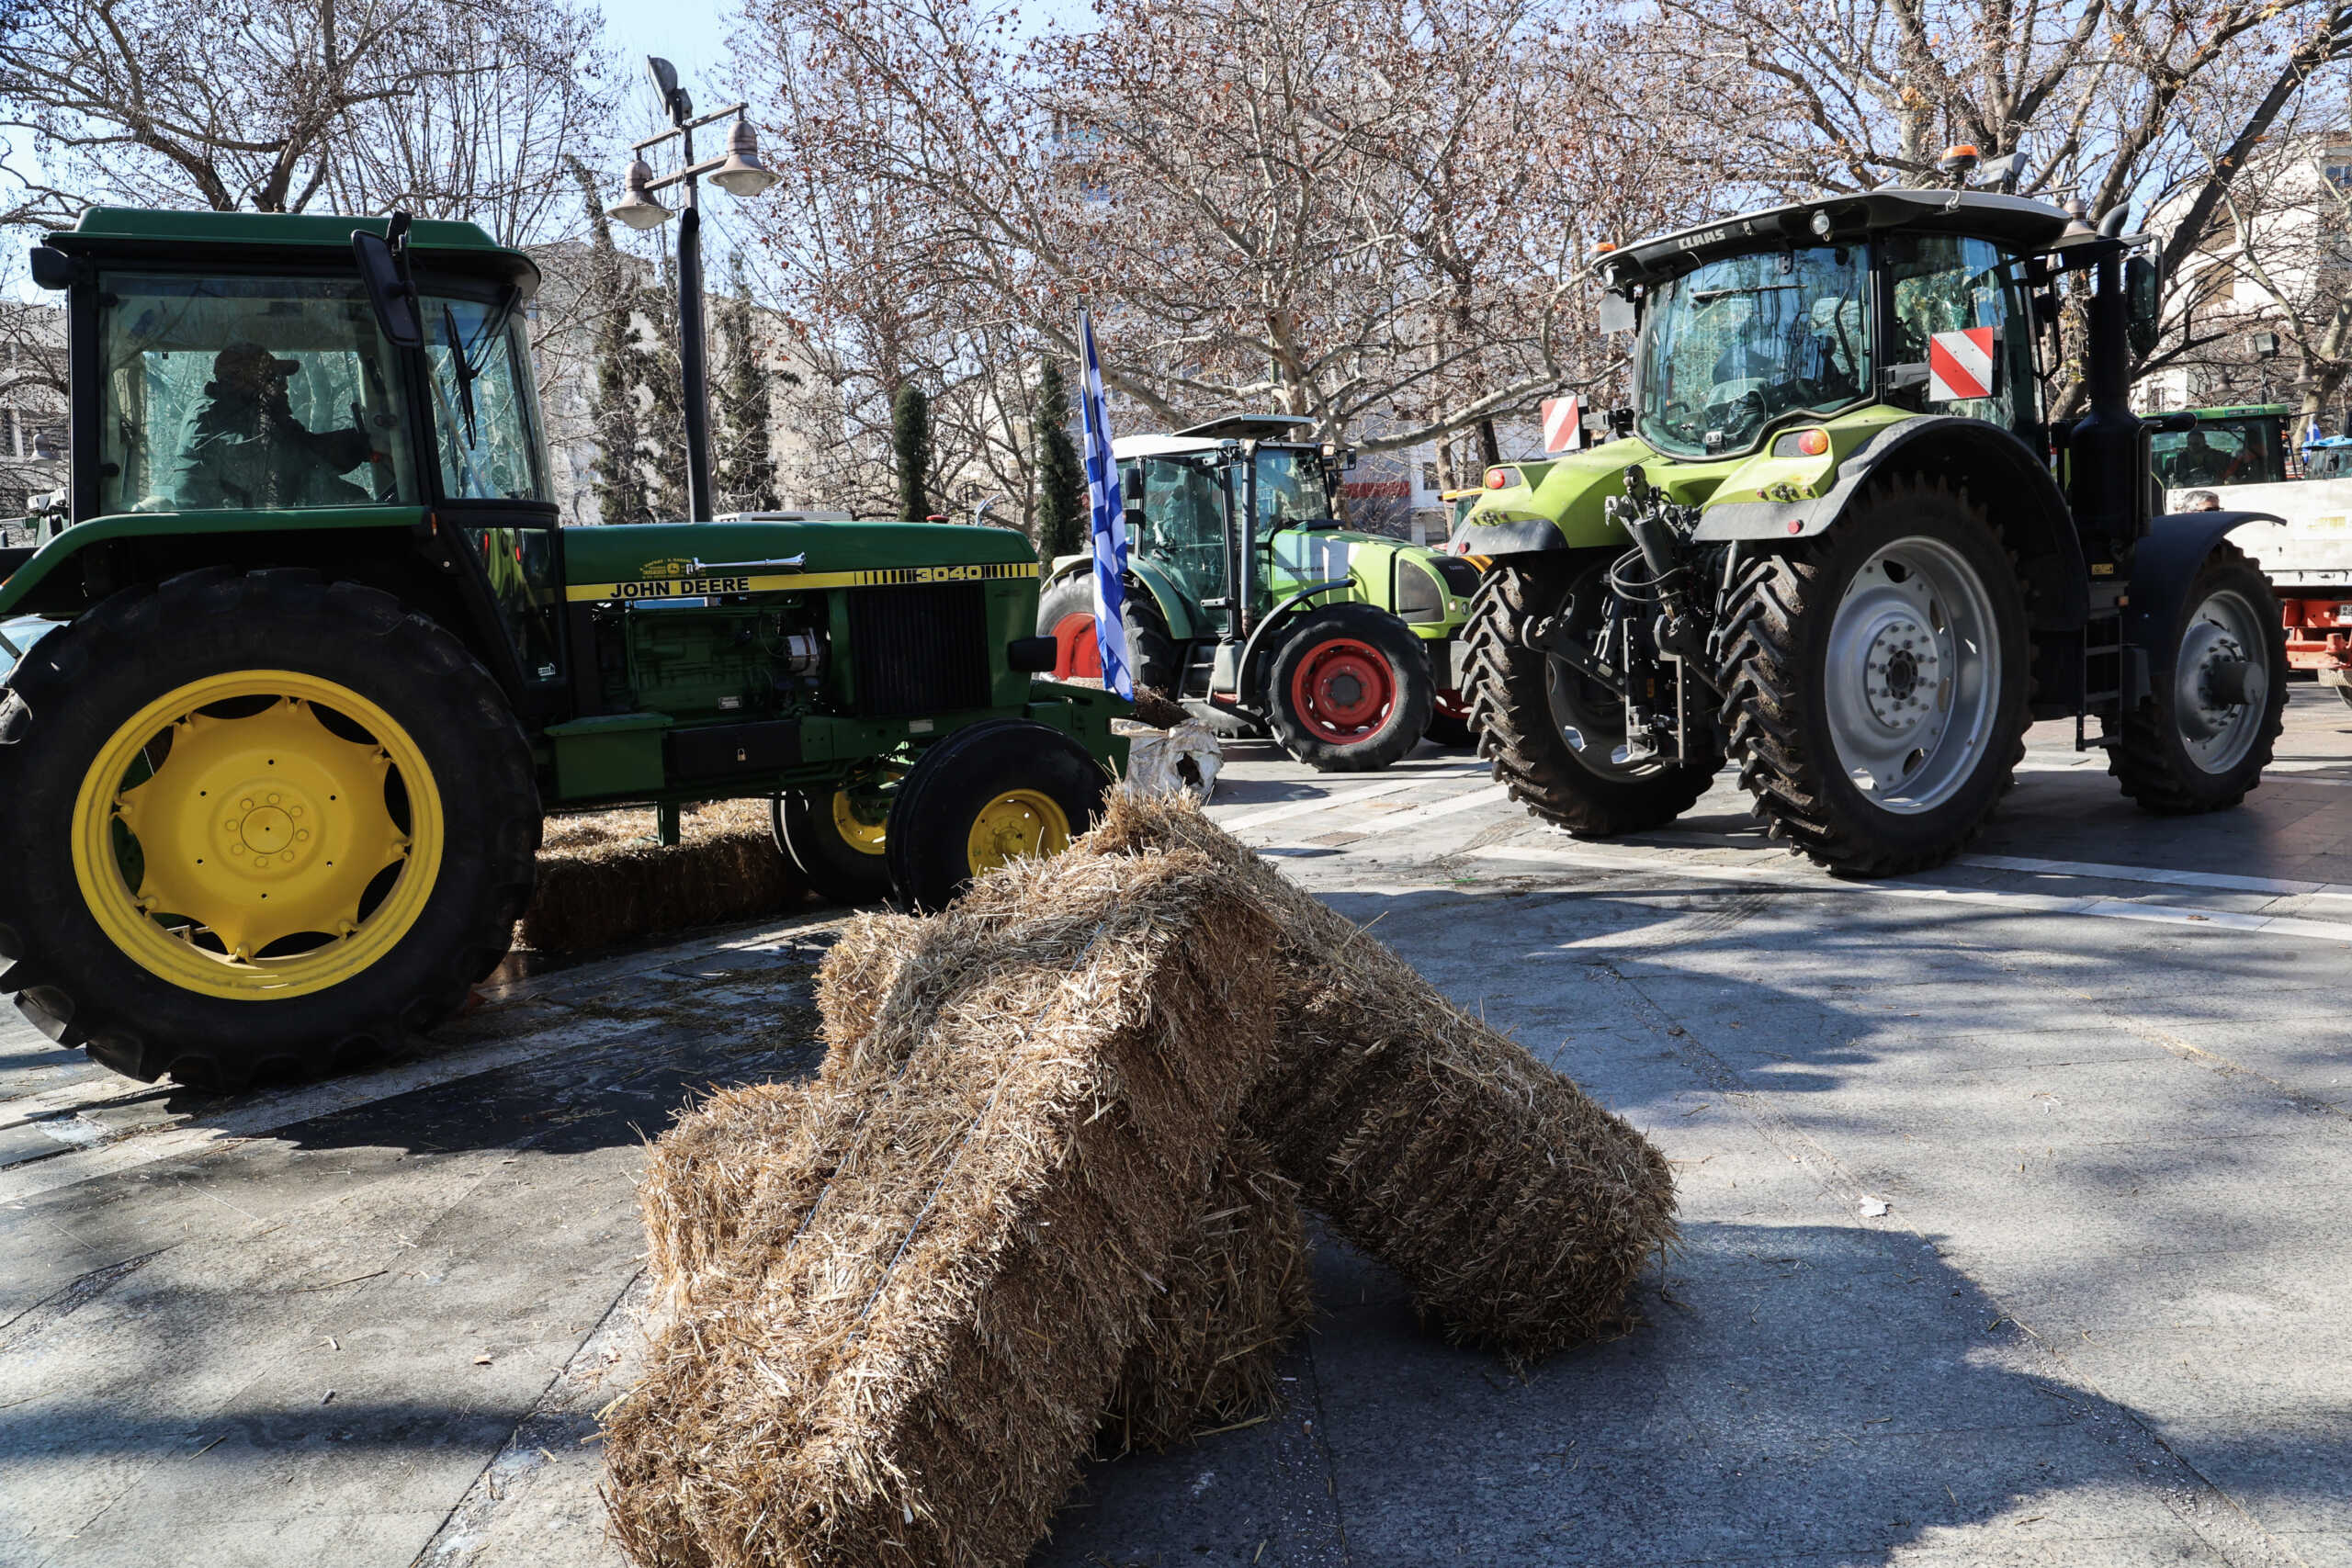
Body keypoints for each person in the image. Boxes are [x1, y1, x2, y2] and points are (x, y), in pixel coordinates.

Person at [170, 343, 378, 510]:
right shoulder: (207, 414)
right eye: (275, 378)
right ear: (243, 382)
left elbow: (304, 445)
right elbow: (265, 456)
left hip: (251, 527)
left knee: (355, 500)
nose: (285, 385)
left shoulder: (253, 412)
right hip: (217, 539)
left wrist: (365, 443)